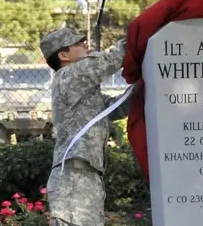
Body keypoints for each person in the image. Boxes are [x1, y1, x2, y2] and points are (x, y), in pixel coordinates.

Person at [40, 28, 135, 226]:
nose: (85, 44)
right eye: (78, 43)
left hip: (83, 174)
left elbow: (113, 109)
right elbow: (109, 62)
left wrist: (139, 89)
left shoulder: (79, 86)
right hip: (75, 176)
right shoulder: (69, 75)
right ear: (63, 55)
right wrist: (129, 42)